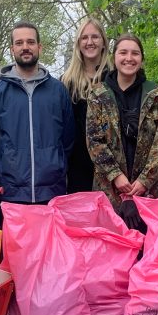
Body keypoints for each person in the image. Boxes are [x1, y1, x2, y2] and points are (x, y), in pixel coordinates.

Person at [87, 34, 158, 231]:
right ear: (114, 57)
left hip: (149, 193)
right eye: (123, 52)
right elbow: (94, 141)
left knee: (148, 253)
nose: (129, 58)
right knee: (112, 253)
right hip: (109, 191)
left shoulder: (156, 95)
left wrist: (143, 181)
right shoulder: (98, 94)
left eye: (135, 53)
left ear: (141, 58)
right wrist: (116, 176)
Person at [0, 22, 74, 205]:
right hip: (11, 192)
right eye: (19, 43)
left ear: (39, 47)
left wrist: (56, 166)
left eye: (31, 42)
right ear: (12, 49)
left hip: (52, 191)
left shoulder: (58, 90)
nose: (25, 47)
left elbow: (68, 138)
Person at [61, 15, 109, 193]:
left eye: (95, 37)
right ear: (78, 44)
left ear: (103, 42)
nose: (90, 42)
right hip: (77, 168)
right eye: (84, 37)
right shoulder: (65, 83)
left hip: (111, 169)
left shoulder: (114, 79)